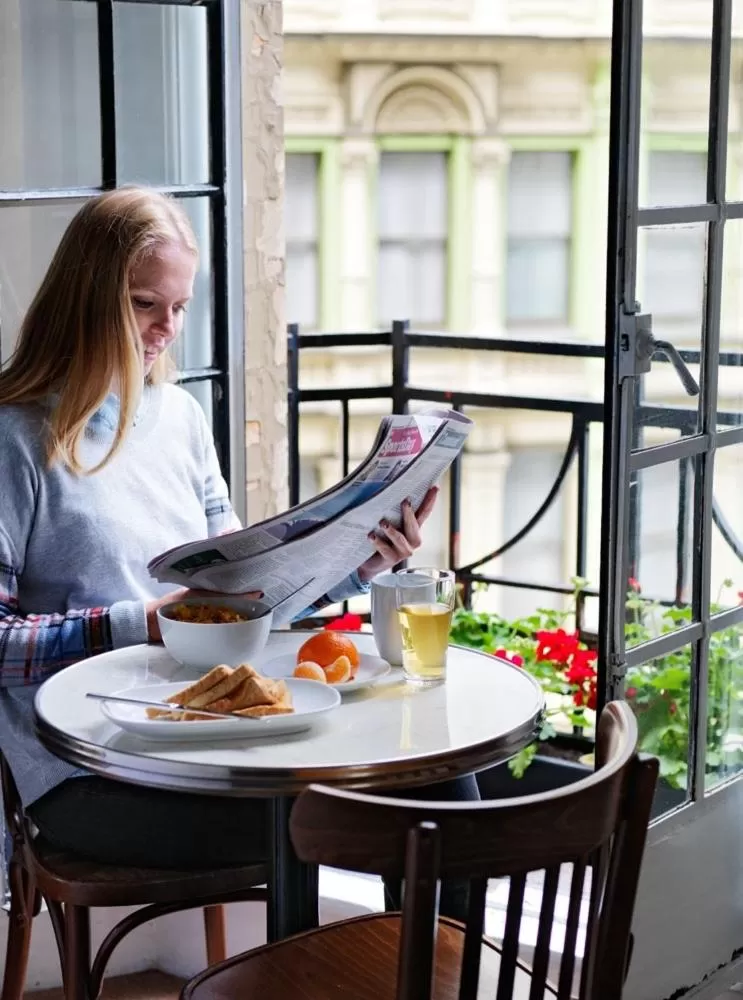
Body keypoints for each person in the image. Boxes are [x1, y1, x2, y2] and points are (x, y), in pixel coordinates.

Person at [0, 187, 476, 915]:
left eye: (179, 307)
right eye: (144, 304)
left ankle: (443, 974)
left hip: (208, 733)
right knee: (333, 821)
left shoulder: (180, 418)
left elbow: (242, 596)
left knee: (438, 780)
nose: (166, 330)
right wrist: (143, 623)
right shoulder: (15, 436)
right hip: (85, 774)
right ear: (85, 298)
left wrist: (360, 564)